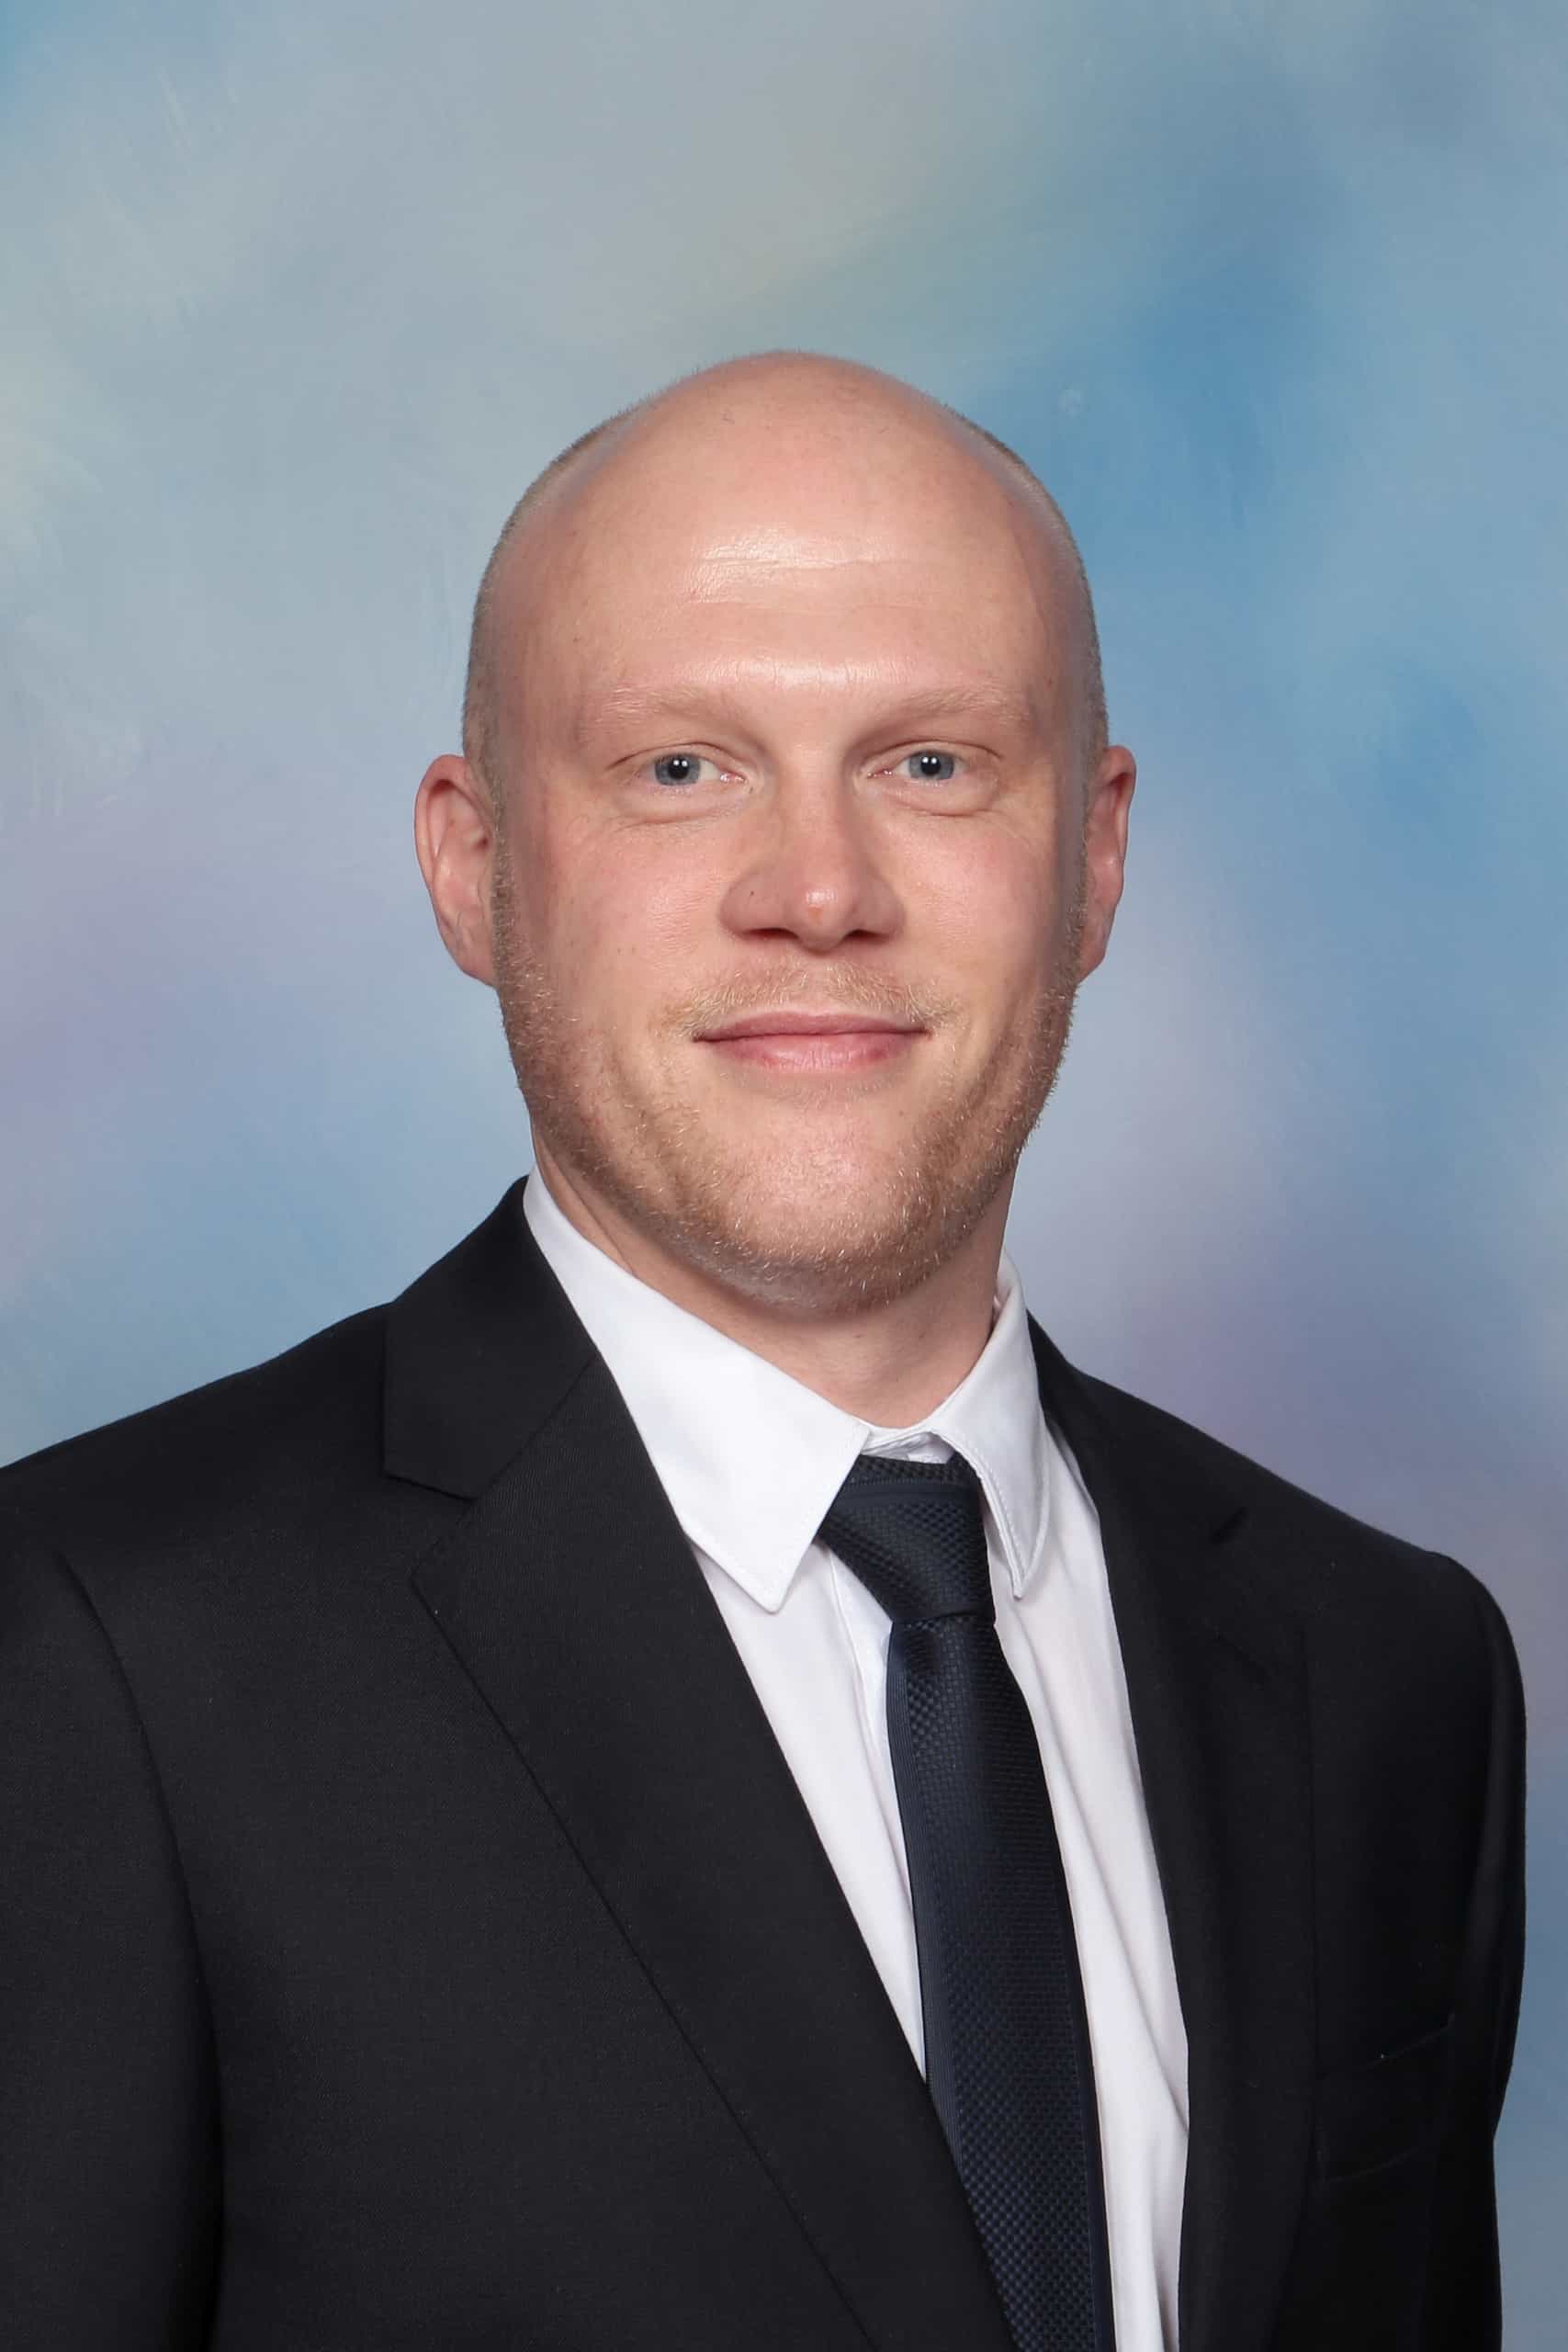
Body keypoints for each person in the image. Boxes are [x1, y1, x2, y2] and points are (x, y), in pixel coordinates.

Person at [0, 353, 1524, 2352]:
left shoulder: (1387, 1673)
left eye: (931, 764)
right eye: (679, 768)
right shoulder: (90, 1653)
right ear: (474, 865)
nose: (819, 891)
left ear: (1091, 856)